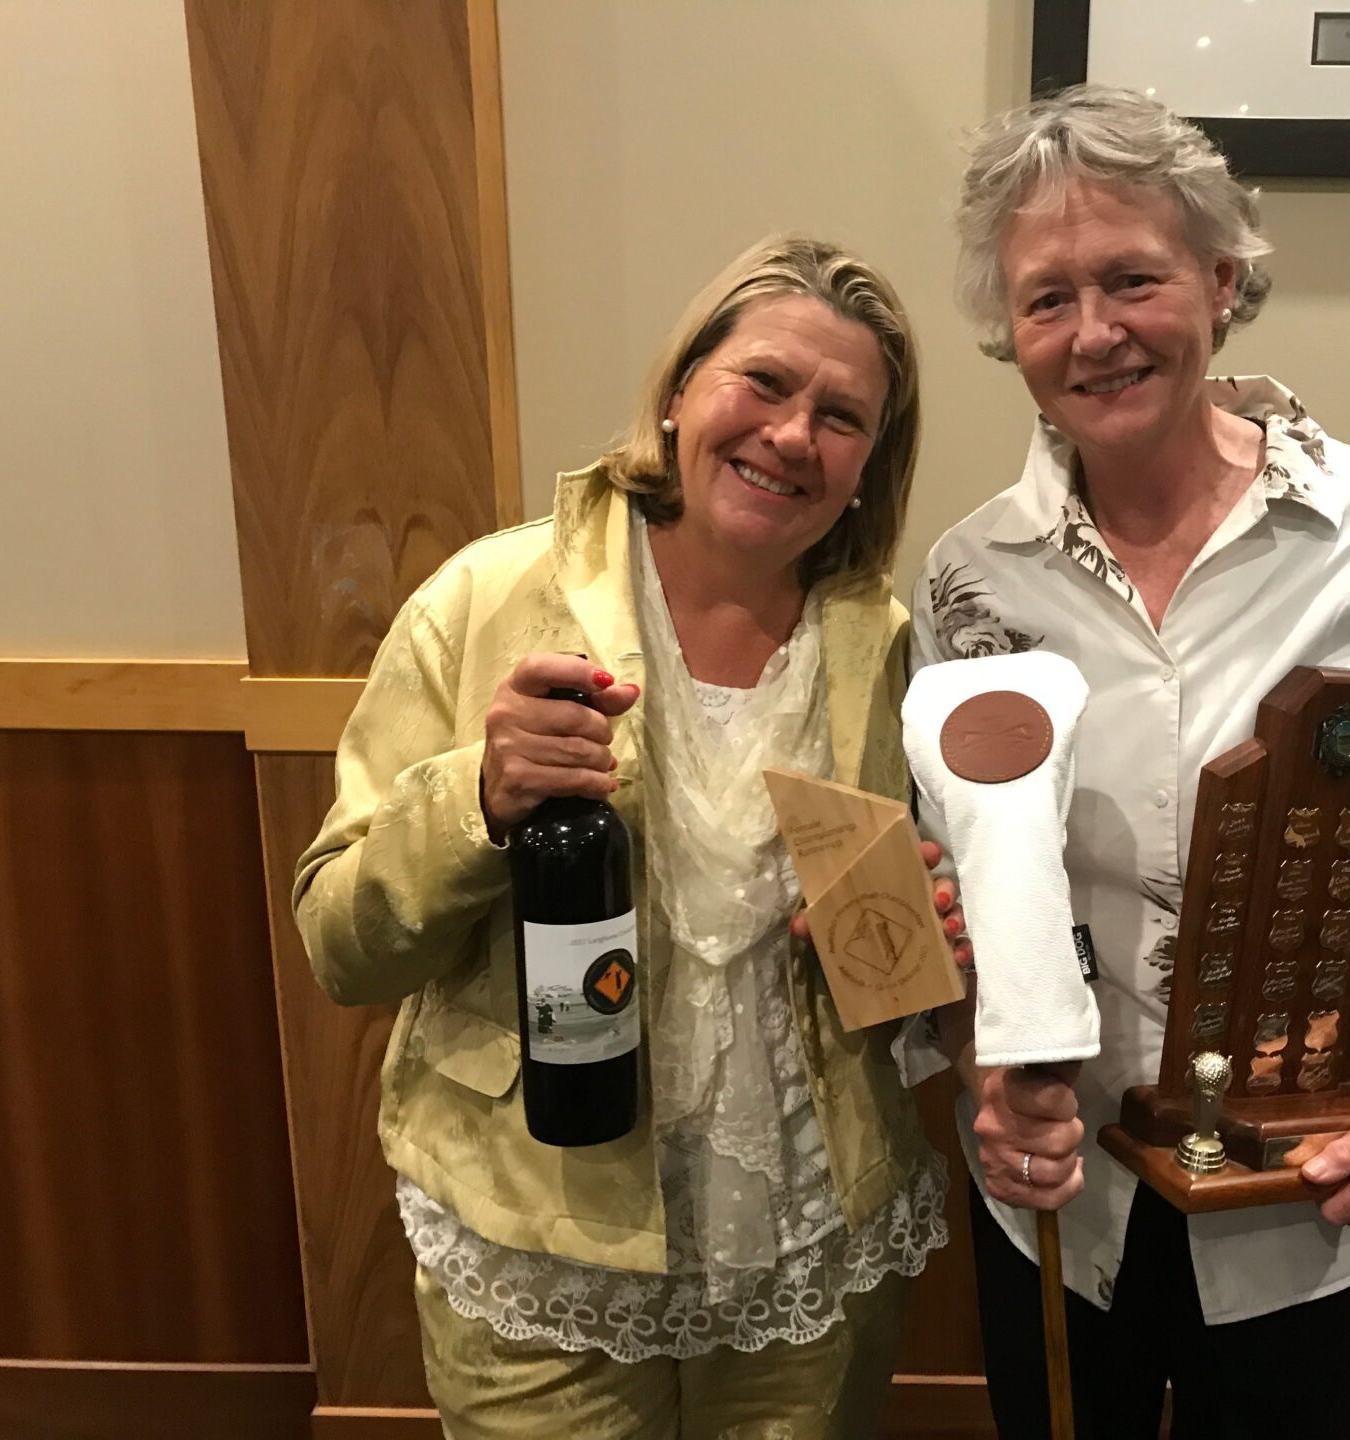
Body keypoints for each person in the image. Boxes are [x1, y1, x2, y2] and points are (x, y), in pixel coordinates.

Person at [904, 86, 1350, 1438]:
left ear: (1222, 281)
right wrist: (976, 1069)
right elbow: (947, 878)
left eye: (1133, 279)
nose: (1095, 332)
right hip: (1060, 1203)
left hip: (1312, 1200)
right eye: (1049, 298)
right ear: (1011, 332)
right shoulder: (969, 576)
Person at [295, 236, 967, 1439]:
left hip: (808, 1250)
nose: (792, 435)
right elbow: (342, 946)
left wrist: (911, 941)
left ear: (871, 464)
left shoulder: (883, 645)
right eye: (764, 382)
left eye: (841, 417)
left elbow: (898, 970)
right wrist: (478, 798)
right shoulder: (489, 600)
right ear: (679, 392)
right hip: (547, 1253)